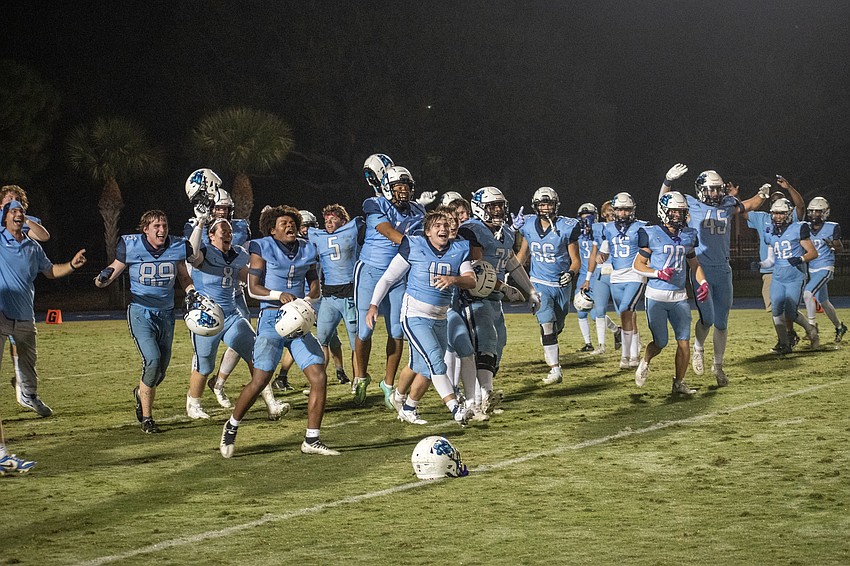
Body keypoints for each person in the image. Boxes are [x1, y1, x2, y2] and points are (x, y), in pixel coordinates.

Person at [219, 205, 339, 457]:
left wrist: (307, 302)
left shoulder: (308, 249)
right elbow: (253, 288)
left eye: (292, 222)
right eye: (283, 223)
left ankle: (312, 439)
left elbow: (316, 286)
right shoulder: (261, 247)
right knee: (260, 379)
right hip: (272, 319)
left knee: (318, 376)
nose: (290, 226)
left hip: (298, 319)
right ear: (272, 229)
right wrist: (279, 295)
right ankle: (232, 425)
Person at [660, 163, 771, 385]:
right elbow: (663, 204)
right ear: (701, 189)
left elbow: (749, 205)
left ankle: (718, 366)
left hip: (723, 269)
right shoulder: (690, 204)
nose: (715, 193)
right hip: (701, 268)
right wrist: (667, 181)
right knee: (707, 318)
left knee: (722, 322)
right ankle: (699, 347)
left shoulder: (728, 204)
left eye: (718, 189)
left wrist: (762, 195)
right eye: (711, 189)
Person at [366, 211, 476, 425]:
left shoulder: (459, 249)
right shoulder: (414, 246)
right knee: (436, 361)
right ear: (427, 232)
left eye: (445, 225)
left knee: (421, 367)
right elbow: (388, 278)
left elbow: (471, 281)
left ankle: (404, 403)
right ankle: (456, 409)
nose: (443, 228)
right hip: (414, 315)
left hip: (440, 318)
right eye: (437, 226)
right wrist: (373, 305)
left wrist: (453, 279)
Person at [95, 209, 195, 433]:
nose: (162, 230)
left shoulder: (177, 246)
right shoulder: (131, 246)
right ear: (145, 230)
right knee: (152, 360)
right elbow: (113, 270)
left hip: (167, 314)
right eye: (156, 226)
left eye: (164, 225)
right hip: (141, 312)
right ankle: (148, 419)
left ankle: (141, 393)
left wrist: (191, 293)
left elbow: (184, 277)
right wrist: (101, 280)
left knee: (161, 369)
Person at [184, 217, 287, 420]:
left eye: (230, 230)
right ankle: (193, 402)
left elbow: (250, 278)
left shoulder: (238, 254)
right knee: (204, 366)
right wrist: (200, 225)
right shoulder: (204, 252)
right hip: (207, 316)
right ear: (211, 235)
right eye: (223, 229)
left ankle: (271, 404)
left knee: (256, 355)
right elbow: (191, 255)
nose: (228, 232)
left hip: (231, 315)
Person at [458, 186, 540, 414]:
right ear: (479, 208)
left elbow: (512, 262)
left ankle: (482, 395)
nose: (497, 210)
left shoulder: (505, 232)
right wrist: (503, 286)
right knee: (485, 343)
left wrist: (530, 291)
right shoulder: (471, 230)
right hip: (473, 297)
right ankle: (482, 396)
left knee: (498, 344)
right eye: (491, 206)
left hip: (494, 299)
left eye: (499, 206)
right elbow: (478, 271)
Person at [1, 200, 86, 417]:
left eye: (20, 211)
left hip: (24, 315)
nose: (17, 214)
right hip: (0, 314)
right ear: (5, 217)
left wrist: (71, 265)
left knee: (28, 363)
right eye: (12, 211)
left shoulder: (33, 247)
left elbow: (50, 271)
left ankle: (29, 395)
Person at [353, 164, 426, 407]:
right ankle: (361, 376)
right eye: (397, 187)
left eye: (406, 186)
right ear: (386, 188)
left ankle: (388, 383)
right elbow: (387, 231)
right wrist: (413, 244)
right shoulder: (375, 204)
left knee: (397, 330)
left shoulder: (418, 210)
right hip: (371, 271)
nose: (403, 191)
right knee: (365, 330)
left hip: (399, 274)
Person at [183, 176, 252, 409]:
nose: (222, 213)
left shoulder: (240, 228)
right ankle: (197, 393)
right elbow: (192, 255)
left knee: (248, 342)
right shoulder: (196, 226)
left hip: (235, 292)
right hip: (207, 292)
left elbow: (245, 262)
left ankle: (220, 383)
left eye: (225, 208)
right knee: (205, 353)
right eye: (218, 208)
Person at [633, 192, 709, 394]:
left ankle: (678, 383)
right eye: (674, 211)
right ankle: (646, 360)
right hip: (656, 296)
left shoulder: (689, 235)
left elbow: (694, 264)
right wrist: (658, 272)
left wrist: (703, 282)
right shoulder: (650, 233)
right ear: (664, 211)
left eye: (681, 211)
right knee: (661, 342)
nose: (678, 215)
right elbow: (638, 265)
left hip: (679, 297)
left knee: (684, 343)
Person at [274, 209, 350, 390]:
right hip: (303, 299)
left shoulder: (317, 244)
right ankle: (282, 376)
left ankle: (339, 371)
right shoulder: (297, 248)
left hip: (319, 297)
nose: (307, 230)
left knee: (332, 337)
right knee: (299, 334)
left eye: (309, 226)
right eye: (304, 227)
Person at [516, 187, 581, 385]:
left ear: (556, 205)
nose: (545, 208)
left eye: (549, 204)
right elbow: (522, 254)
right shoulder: (527, 225)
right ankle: (555, 370)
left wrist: (570, 273)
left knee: (557, 326)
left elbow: (576, 261)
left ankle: (549, 342)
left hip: (560, 285)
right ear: (536, 207)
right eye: (542, 204)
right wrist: (511, 272)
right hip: (538, 283)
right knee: (547, 323)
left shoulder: (567, 227)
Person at [1, 185, 50, 391]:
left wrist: (23, 217)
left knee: (19, 340)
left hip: (20, 297)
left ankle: (22, 383)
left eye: (17, 200)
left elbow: (44, 236)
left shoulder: (23, 221)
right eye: (9, 199)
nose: (13, 202)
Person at [759, 198, 820, 354]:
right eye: (775, 213)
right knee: (776, 311)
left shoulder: (798, 228)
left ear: (788, 214)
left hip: (795, 276)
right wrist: (760, 264)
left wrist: (800, 259)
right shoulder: (770, 231)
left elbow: (813, 253)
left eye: (781, 213)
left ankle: (810, 330)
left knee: (790, 313)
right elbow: (771, 260)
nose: (777, 217)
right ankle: (784, 344)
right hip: (778, 276)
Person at [598, 192, 647, 369]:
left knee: (627, 308)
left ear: (632, 210)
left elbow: (648, 250)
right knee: (625, 315)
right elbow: (603, 254)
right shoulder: (609, 229)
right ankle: (630, 355)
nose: (623, 214)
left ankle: (630, 355)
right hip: (616, 276)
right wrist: (599, 258)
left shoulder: (641, 227)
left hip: (635, 274)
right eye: (619, 210)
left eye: (626, 210)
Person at [802, 197, 847, 342]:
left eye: (818, 211)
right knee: (824, 302)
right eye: (812, 211)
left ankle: (811, 328)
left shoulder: (832, 227)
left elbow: (840, 248)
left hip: (825, 266)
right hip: (812, 268)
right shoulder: (805, 227)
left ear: (825, 212)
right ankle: (840, 326)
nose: (814, 214)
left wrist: (832, 245)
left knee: (808, 294)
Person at [588, 200, 622, 354]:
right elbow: (594, 254)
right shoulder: (599, 228)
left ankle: (633, 344)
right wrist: (588, 277)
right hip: (602, 273)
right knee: (599, 310)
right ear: (603, 214)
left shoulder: (623, 228)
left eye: (613, 210)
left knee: (624, 311)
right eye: (608, 210)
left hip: (618, 273)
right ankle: (601, 345)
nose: (611, 213)